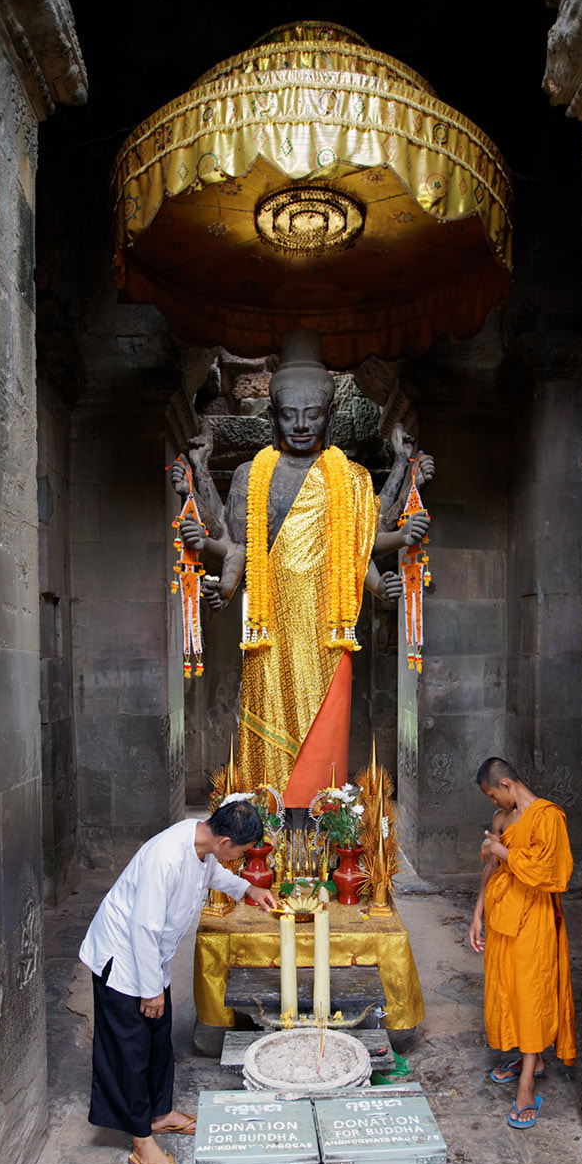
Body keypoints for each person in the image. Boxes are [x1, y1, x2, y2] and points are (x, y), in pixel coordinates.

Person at [172, 331, 433, 817]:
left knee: (324, 731)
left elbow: (360, 542)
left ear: (329, 416)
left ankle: (321, 825)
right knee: (268, 729)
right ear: (271, 416)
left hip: (328, 633)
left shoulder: (350, 476)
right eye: (288, 414)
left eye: (312, 415)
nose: (299, 425)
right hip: (270, 632)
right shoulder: (254, 474)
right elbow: (238, 544)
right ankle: (265, 831)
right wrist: (201, 491)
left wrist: (387, 572)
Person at [79, 800, 278, 1164]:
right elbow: (142, 927)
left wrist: (247, 888)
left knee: (157, 1038)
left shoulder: (201, 847)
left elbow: (211, 874)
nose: (239, 858)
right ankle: (141, 1143)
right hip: (124, 960)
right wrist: (150, 991)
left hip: (151, 958)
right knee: (130, 1050)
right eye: (240, 851)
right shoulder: (166, 857)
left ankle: (160, 1114)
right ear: (223, 840)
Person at [469, 757, 576, 1130]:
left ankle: (527, 1087)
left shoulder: (547, 817)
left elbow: (553, 873)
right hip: (501, 919)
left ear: (508, 784)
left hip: (534, 919)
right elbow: (492, 869)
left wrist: (503, 852)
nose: (493, 804)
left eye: (493, 795)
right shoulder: (503, 820)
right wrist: (478, 912)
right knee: (509, 992)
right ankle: (532, 1058)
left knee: (532, 995)